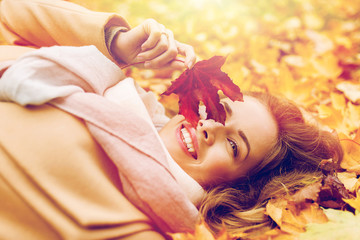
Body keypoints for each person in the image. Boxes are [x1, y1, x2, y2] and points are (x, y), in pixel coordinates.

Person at [0, 0, 343, 239]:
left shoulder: (134, 225)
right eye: (220, 110)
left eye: (234, 145)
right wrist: (115, 44)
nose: (209, 129)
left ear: (236, 189)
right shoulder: (104, 85)